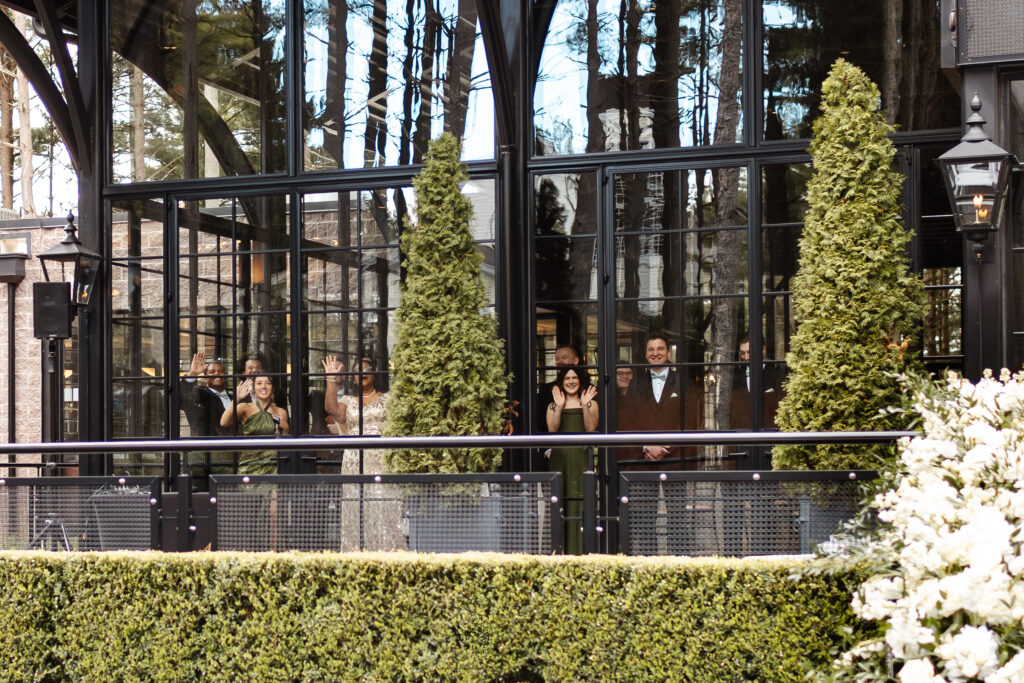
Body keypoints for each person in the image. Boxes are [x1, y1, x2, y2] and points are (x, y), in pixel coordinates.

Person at [323, 356, 402, 550]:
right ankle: (354, 552)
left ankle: (387, 552)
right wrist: (331, 379)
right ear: (353, 377)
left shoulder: (387, 399)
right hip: (354, 460)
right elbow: (331, 409)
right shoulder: (348, 401)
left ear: (374, 374)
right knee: (355, 506)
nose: (363, 373)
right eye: (359, 370)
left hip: (381, 459)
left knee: (382, 505)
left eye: (367, 369)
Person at [545, 365, 598, 554]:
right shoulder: (552, 406)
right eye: (567, 378)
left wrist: (585, 405)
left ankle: (582, 550)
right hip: (560, 461)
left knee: (581, 502)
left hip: (581, 460)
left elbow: (590, 429)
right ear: (562, 382)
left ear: (580, 380)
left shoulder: (592, 404)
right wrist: (559, 407)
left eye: (574, 377)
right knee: (560, 502)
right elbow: (552, 430)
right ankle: (559, 551)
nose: (571, 381)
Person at [618, 335, 683, 471]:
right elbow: (628, 419)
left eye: (660, 349)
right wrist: (646, 446)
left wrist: (665, 448)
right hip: (641, 461)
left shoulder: (683, 382)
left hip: (674, 461)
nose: (655, 353)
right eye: (651, 349)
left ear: (668, 353)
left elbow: (689, 419)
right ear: (646, 354)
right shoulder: (635, 383)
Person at [220, 374, 290, 474]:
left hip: (273, 467)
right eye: (259, 383)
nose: (264, 386)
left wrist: (282, 427)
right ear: (254, 388)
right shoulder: (245, 407)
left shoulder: (281, 412)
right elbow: (224, 422)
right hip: (249, 466)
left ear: (272, 388)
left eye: (268, 383)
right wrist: (236, 398)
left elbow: (284, 441)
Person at [534, 344, 580, 469]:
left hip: (579, 453)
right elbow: (539, 424)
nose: (559, 362)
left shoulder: (586, 390)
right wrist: (547, 449)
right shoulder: (546, 390)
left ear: (576, 361)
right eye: (557, 359)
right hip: (553, 455)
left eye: (564, 357)